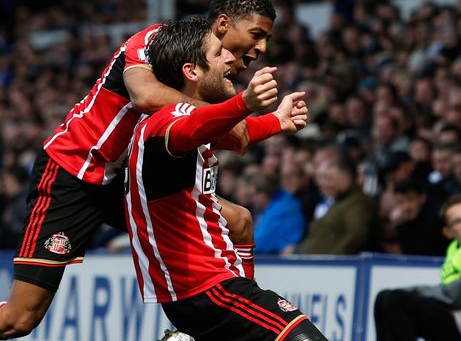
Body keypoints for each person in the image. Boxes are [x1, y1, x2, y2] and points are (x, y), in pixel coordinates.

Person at [0, 0, 276, 341]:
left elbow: (233, 135)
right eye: (256, 35)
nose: (261, 49)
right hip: (73, 172)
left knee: (236, 219)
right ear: (223, 24)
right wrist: (230, 108)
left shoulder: (213, 72)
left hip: (129, 181)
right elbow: (146, 97)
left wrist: (268, 118)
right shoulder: (156, 40)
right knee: (20, 318)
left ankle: (235, 325)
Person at [126, 17, 326, 340]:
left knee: (241, 219)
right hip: (206, 291)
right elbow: (195, 127)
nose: (230, 58)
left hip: (203, 291)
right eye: (219, 54)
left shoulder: (171, 125)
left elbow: (221, 133)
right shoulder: (167, 124)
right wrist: (244, 103)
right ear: (191, 72)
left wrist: (276, 120)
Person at [374, 195, 461, 341]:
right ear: (448, 232)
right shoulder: (456, 249)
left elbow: (457, 297)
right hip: (460, 318)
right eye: (457, 222)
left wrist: (414, 291)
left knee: (396, 300)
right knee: (383, 298)